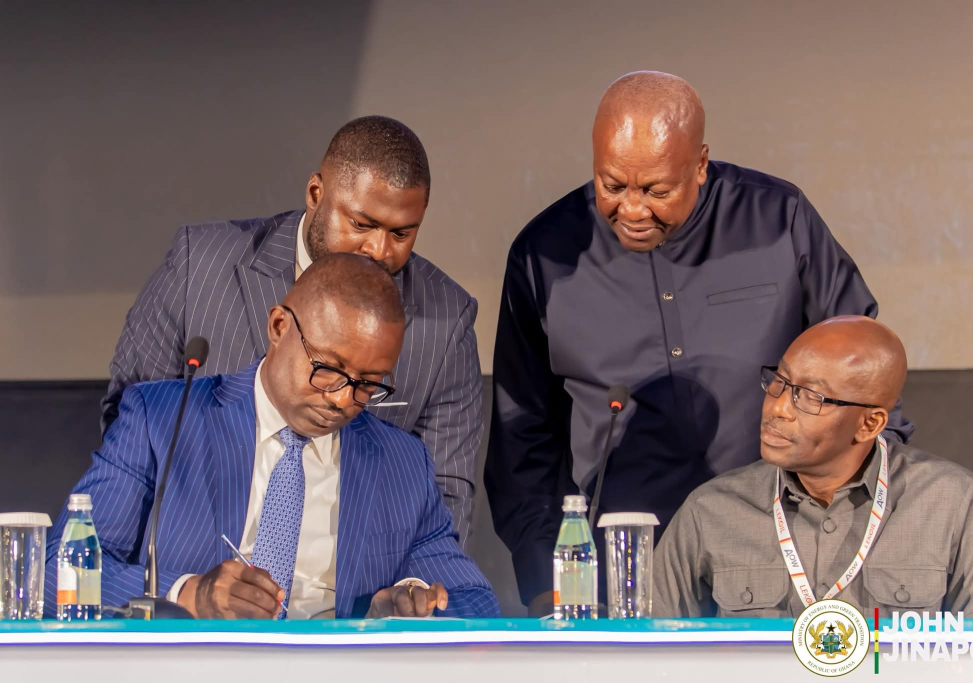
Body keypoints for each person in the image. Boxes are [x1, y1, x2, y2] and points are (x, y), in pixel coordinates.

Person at [485, 71, 913, 614]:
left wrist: (862, 526)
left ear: (701, 163)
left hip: (786, 560)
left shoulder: (779, 220)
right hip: (623, 569)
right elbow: (521, 440)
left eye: (656, 191)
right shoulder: (543, 255)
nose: (632, 209)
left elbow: (866, 372)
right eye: (611, 186)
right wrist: (546, 583)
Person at [45, 253, 499, 619]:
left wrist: (409, 604)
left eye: (368, 383)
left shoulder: (400, 462)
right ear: (279, 327)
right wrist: (189, 595)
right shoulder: (163, 420)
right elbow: (57, 572)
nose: (343, 400)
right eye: (328, 369)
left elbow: (476, 602)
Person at [104, 116, 482, 546]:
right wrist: (176, 573)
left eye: (401, 233)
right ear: (316, 194)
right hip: (193, 565)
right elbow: (128, 425)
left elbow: (444, 498)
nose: (379, 250)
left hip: (348, 581)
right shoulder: (202, 267)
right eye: (362, 225)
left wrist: (408, 583)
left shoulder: (445, 322)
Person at [653, 316, 973, 618]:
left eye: (809, 396)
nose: (777, 407)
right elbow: (649, 650)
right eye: (779, 382)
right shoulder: (710, 509)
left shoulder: (951, 501)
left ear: (869, 424)